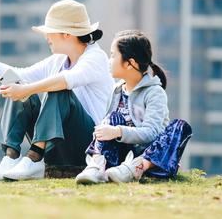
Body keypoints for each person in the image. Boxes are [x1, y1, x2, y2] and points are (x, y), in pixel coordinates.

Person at [0, 0, 114, 181]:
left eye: (49, 32)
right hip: (57, 141)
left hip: (89, 147)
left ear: (66, 34)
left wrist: (26, 89)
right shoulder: (59, 60)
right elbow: (21, 75)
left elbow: (66, 80)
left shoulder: (95, 58)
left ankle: (35, 157)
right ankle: (11, 157)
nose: (46, 37)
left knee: (58, 89)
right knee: (19, 84)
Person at [75, 30, 192, 184]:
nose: (109, 61)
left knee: (180, 126)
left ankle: (135, 168)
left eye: (113, 55)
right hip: (120, 158)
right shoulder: (116, 90)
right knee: (110, 119)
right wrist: (107, 130)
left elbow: (151, 133)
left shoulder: (154, 93)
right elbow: (107, 128)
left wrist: (118, 131)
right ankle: (96, 167)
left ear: (130, 63)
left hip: (149, 158)